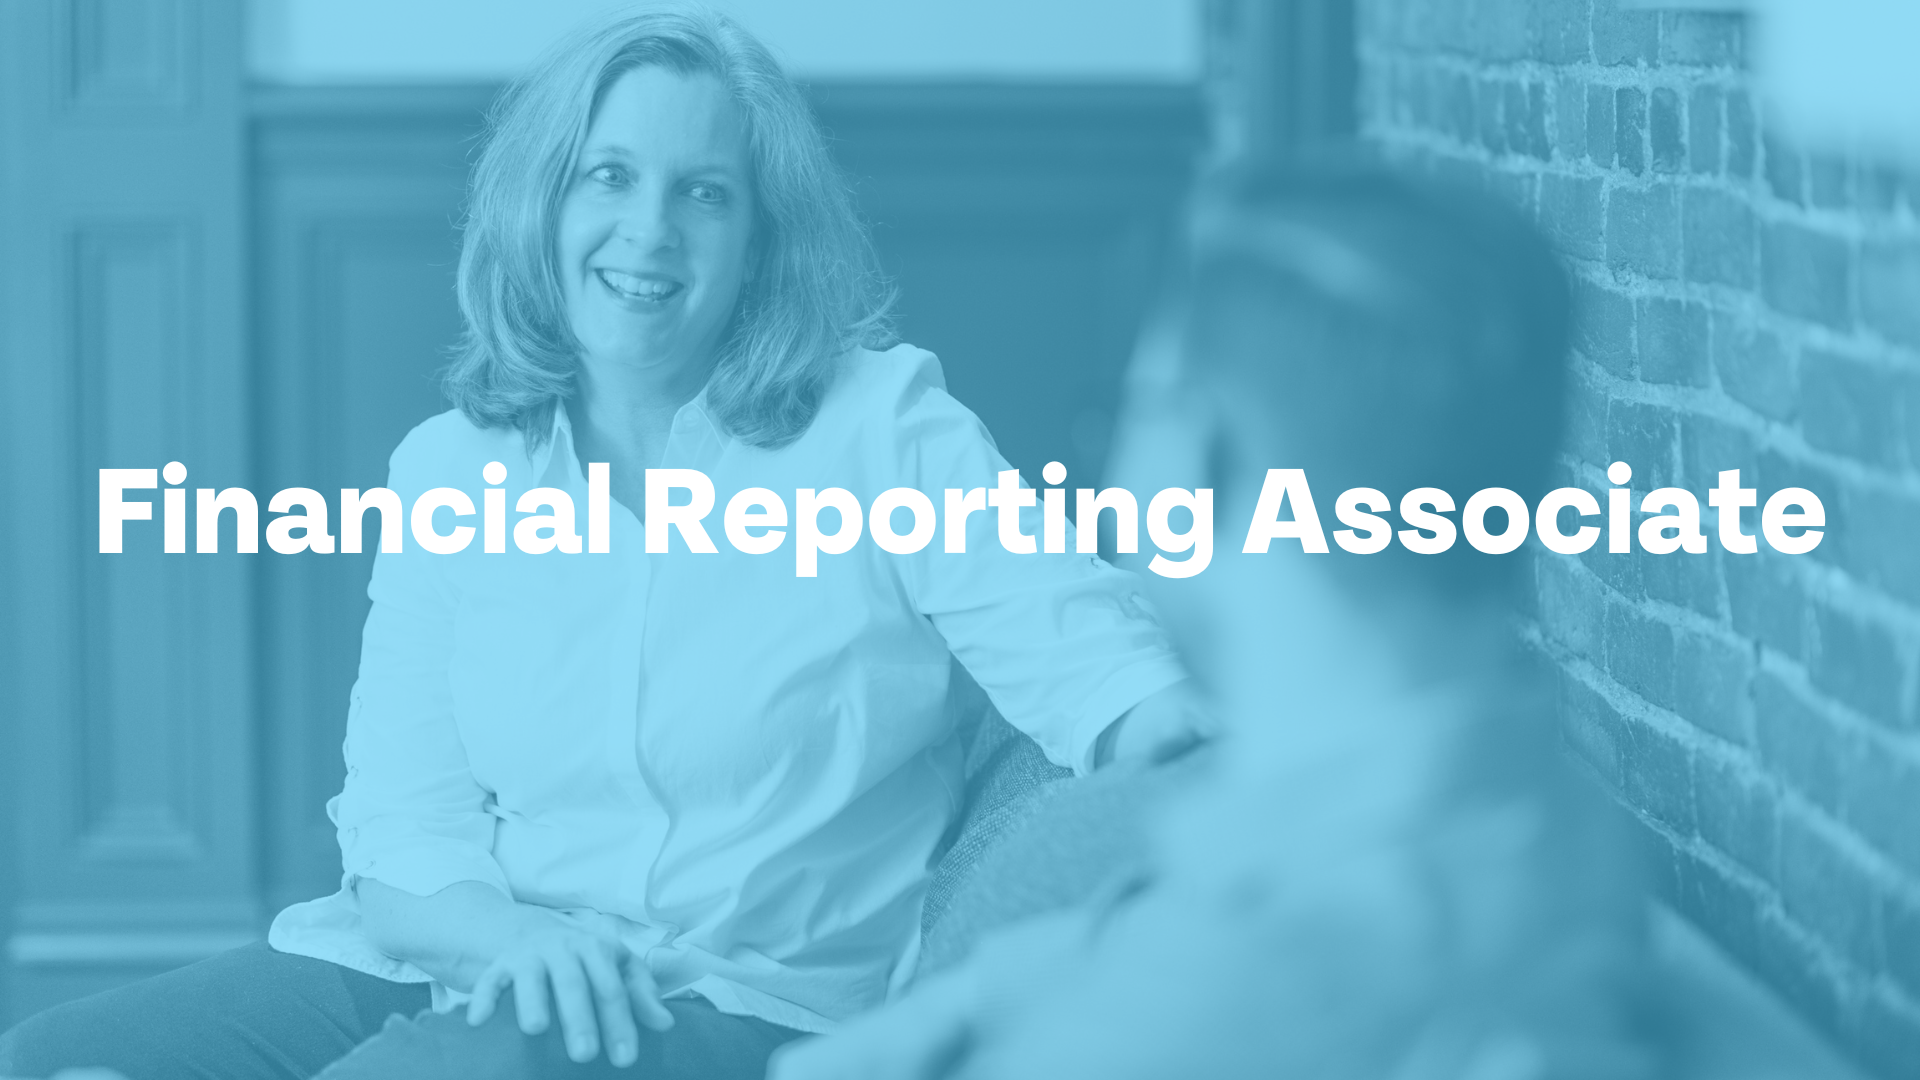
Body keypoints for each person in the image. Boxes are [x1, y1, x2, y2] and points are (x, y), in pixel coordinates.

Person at [0, 7, 1206, 1079]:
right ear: (544, 203)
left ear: (762, 236)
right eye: (609, 176)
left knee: (467, 1063)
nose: (649, 231)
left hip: (739, 1002)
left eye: (704, 193)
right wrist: (513, 939)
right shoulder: (451, 468)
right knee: (54, 1056)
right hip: (479, 956)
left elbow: (1096, 673)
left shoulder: (885, 433)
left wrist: (1213, 755)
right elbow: (404, 828)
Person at [769, 164, 1659, 1079]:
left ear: (1199, 459)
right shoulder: (1535, 814)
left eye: (1134, 407)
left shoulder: (1222, 991)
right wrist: (971, 997)